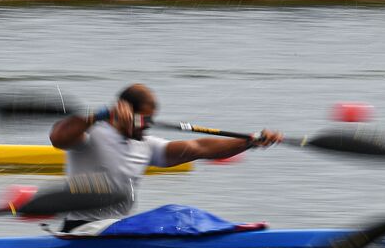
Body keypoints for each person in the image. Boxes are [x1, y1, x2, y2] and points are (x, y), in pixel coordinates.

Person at [49, 83, 283, 232]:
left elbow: (200, 147)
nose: (148, 126)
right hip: (84, 230)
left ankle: (223, 229)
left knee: (178, 214)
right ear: (123, 111)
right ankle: (225, 231)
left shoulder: (145, 145)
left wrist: (249, 142)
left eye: (151, 119)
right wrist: (98, 115)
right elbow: (58, 137)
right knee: (175, 215)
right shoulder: (91, 136)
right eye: (144, 119)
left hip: (117, 230)